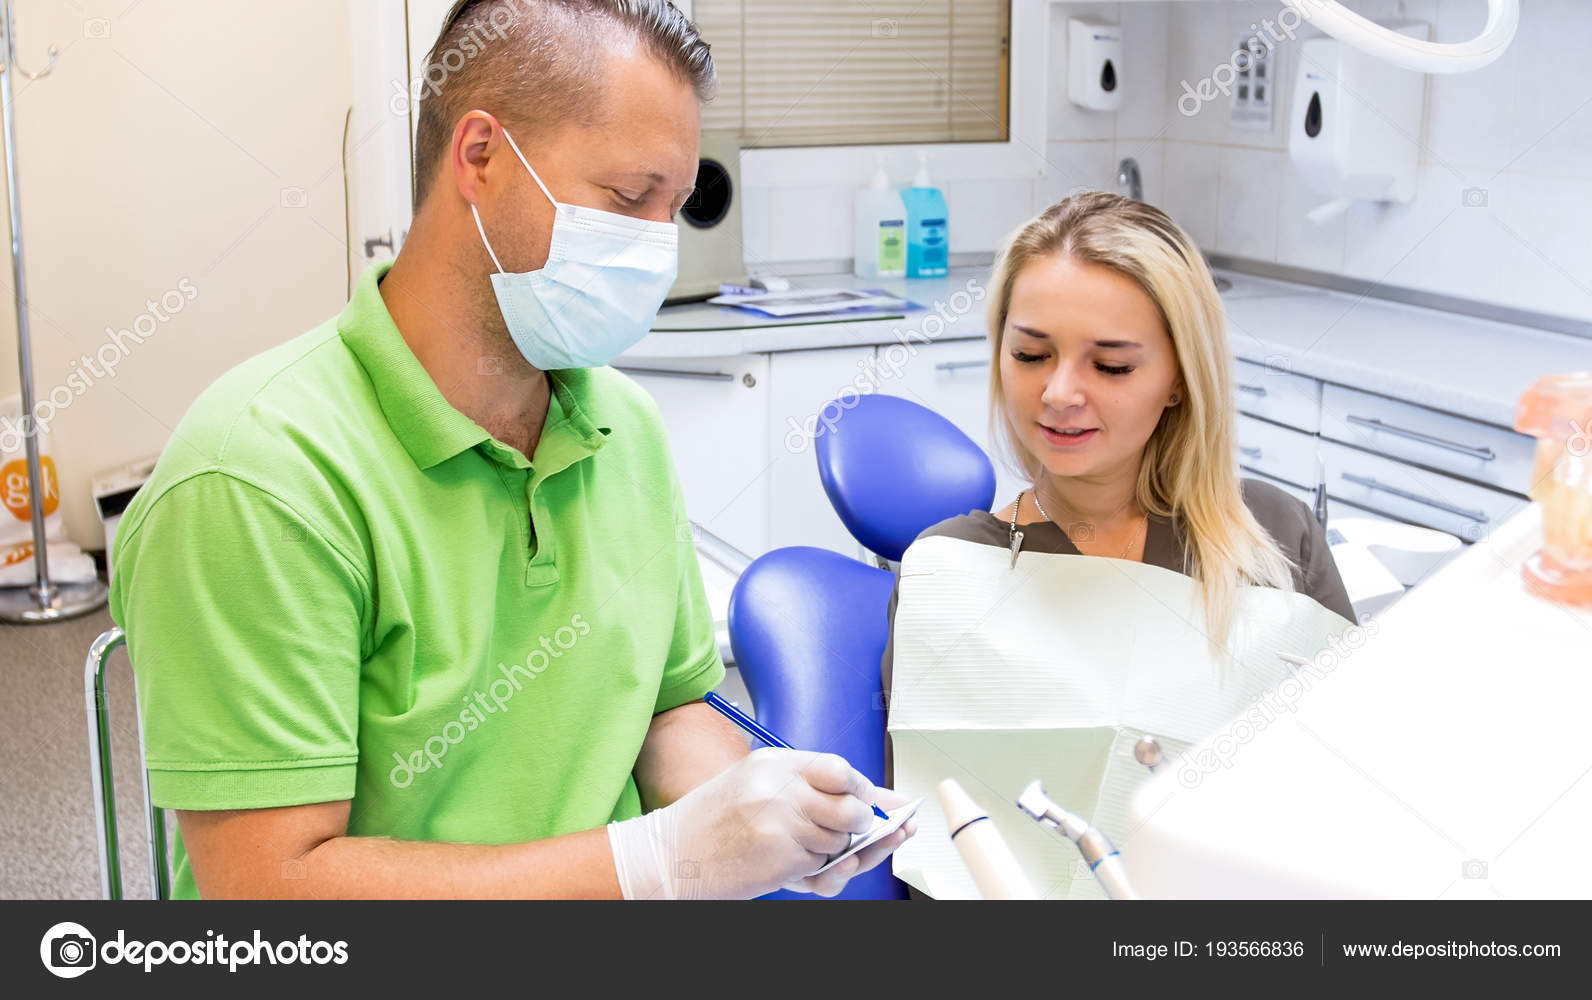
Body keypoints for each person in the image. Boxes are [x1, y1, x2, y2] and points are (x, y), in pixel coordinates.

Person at [109, 0, 910, 900]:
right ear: (481, 156)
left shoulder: (624, 428)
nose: (659, 248)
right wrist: (650, 861)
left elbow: (664, 709)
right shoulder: (257, 478)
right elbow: (268, 890)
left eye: (675, 208)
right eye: (628, 198)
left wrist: (773, 816)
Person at [882, 192, 1355, 755]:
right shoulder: (950, 572)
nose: (1059, 394)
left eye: (1111, 366)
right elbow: (924, 796)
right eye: (1030, 355)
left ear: (1180, 379)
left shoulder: (1276, 539)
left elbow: (1358, 763)